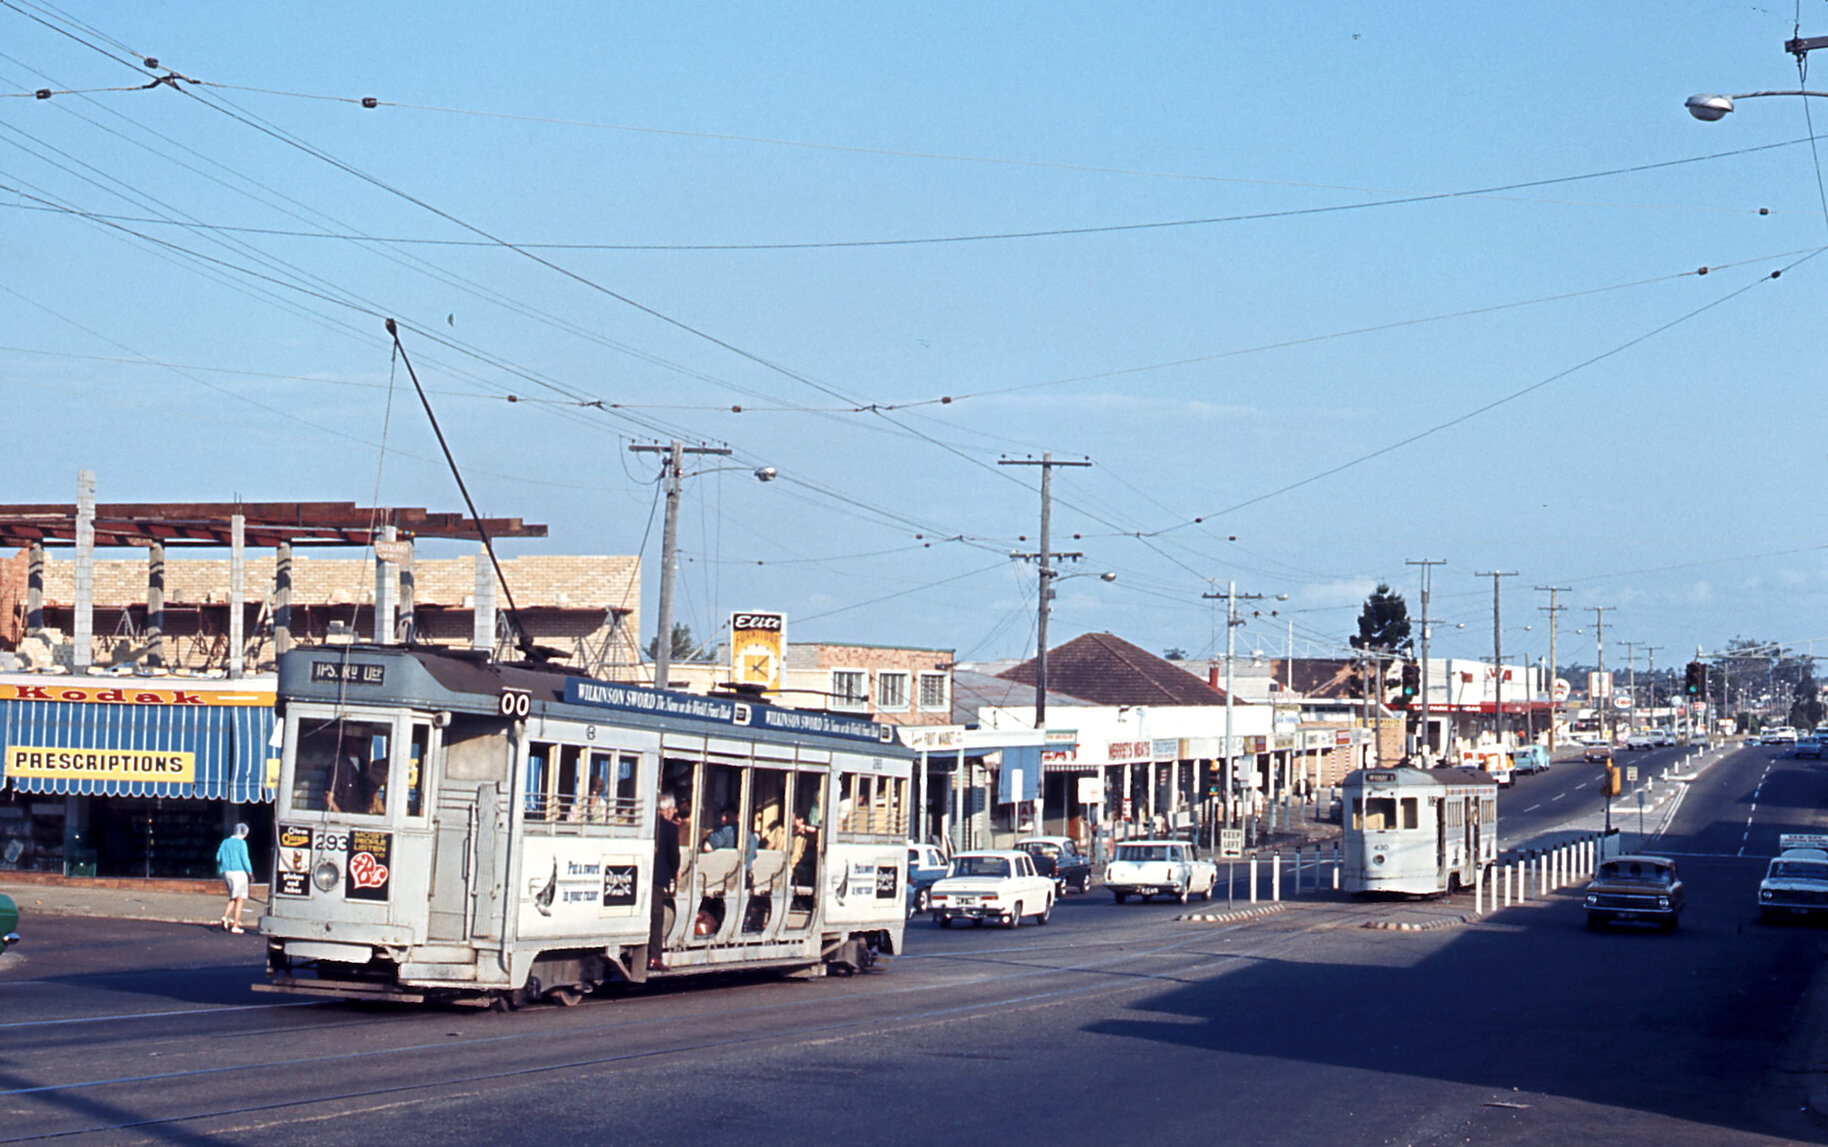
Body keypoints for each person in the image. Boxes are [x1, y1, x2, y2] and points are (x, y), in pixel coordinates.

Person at [650, 793, 680, 971]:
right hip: (658, 877)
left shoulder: (650, 824)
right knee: (657, 916)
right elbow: (674, 855)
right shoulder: (670, 828)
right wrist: (675, 870)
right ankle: (654, 957)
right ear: (668, 810)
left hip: (644, 875)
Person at [216, 823, 254, 934]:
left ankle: (225, 917)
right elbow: (245, 859)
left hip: (227, 872)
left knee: (233, 897)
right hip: (239, 873)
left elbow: (218, 857)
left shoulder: (225, 842)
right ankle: (235, 925)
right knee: (240, 899)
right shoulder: (242, 843)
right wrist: (250, 873)